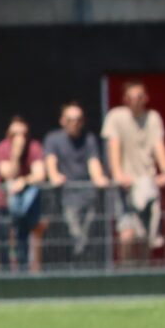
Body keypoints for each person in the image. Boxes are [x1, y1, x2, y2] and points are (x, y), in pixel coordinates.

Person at [104, 82, 165, 262]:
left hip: (147, 185)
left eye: (139, 97)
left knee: (145, 236)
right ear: (125, 99)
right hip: (124, 187)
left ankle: (144, 273)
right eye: (131, 97)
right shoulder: (115, 117)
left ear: (146, 98)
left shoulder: (153, 118)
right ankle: (126, 273)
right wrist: (118, 174)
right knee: (126, 234)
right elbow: (114, 146)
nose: (135, 101)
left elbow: (158, 146)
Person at [45, 101, 112, 266]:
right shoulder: (53, 139)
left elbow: (94, 163)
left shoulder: (89, 139)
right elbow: (50, 162)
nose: (75, 123)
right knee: (74, 231)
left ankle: (82, 260)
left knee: (89, 232)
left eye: (78, 119)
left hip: (88, 196)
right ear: (62, 121)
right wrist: (54, 176)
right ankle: (77, 260)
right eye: (70, 119)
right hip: (67, 197)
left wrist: (99, 178)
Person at [0, 116, 47, 275]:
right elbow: (8, 174)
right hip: (2, 203)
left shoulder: (34, 147)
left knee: (24, 241)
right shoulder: (2, 148)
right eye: (14, 134)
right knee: (3, 241)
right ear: (8, 134)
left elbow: (39, 174)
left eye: (23, 134)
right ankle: (4, 276)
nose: (19, 138)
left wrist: (24, 180)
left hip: (25, 207)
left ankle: (25, 273)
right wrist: (15, 154)